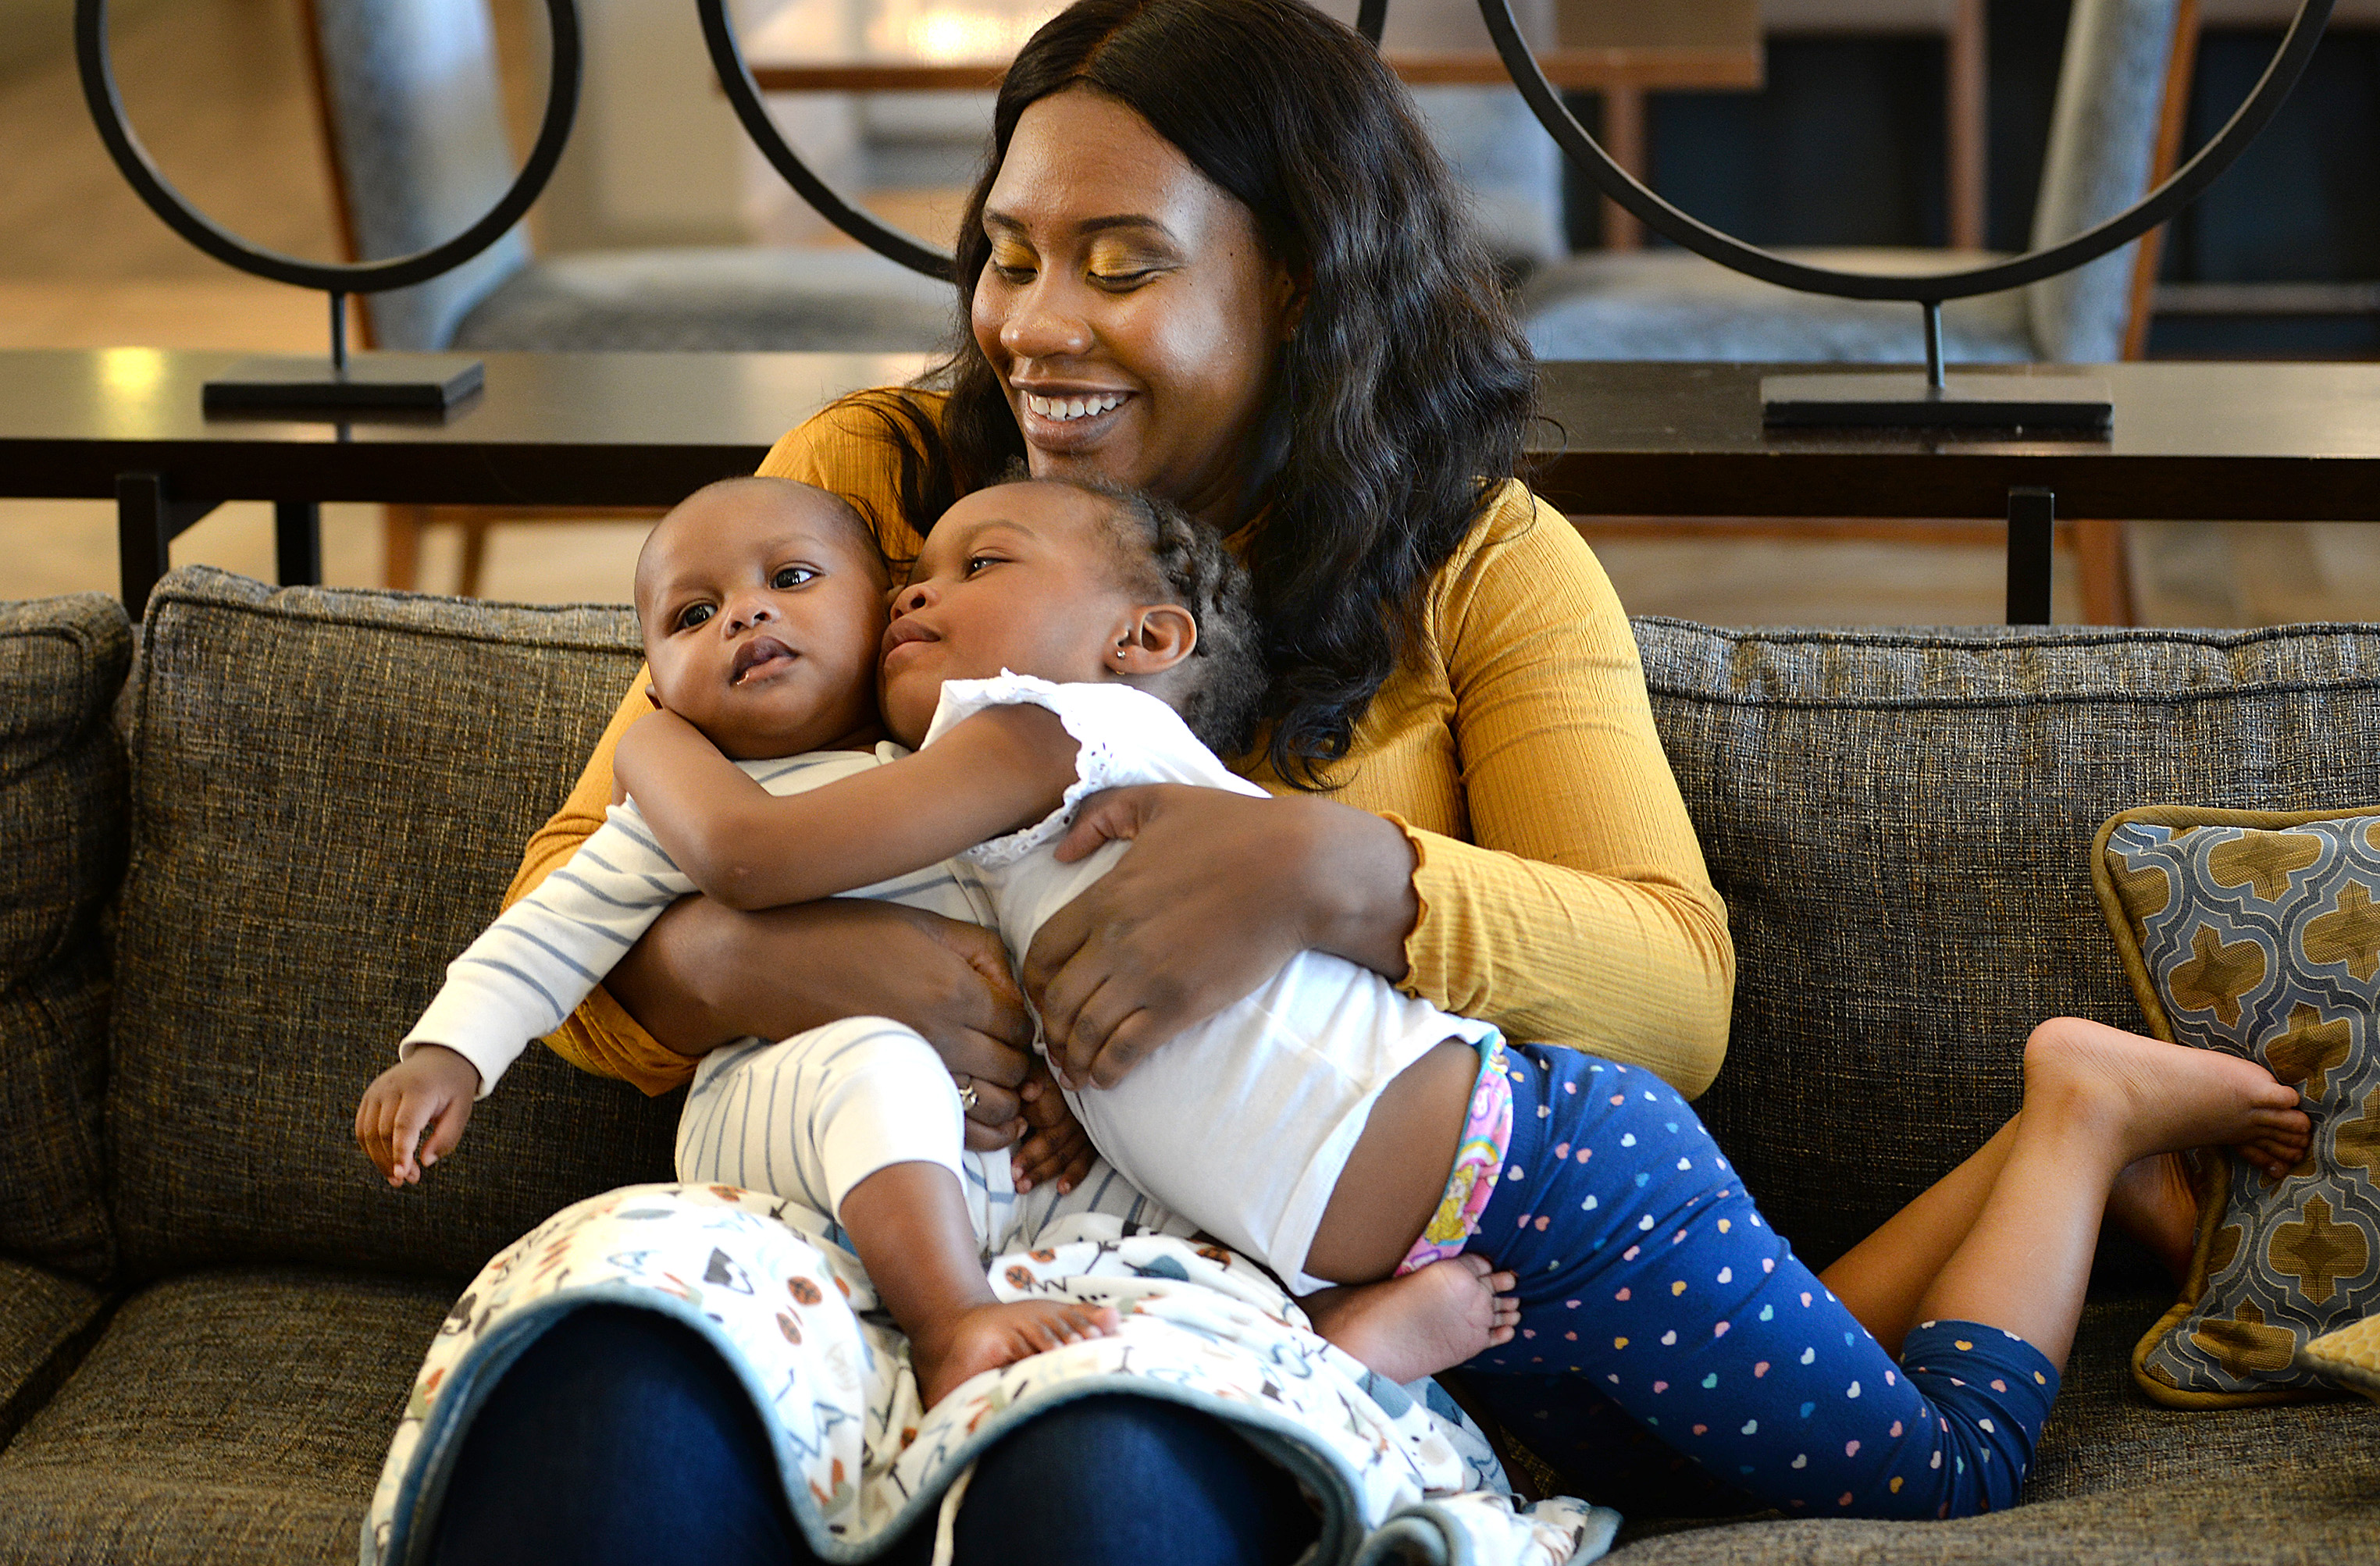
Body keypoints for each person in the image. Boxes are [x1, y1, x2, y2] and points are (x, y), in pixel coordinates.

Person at [615, 470, 2320, 1522]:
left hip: (1556, 1187)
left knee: (1942, 1469)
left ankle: (2082, 1112)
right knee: (1682, 1465)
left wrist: (652, 733)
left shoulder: (1031, 736)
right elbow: (691, 928)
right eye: (906, 574)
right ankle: (2047, 1169)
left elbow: (758, 860)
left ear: (1142, 637)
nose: (913, 589)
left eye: (971, 565)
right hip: (1471, 1229)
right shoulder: (999, 801)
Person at [357, 474, 1520, 1408]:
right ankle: (947, 1318)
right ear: (653, 680)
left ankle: (1303, 1343)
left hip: (1018, 1182)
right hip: (795, 1115)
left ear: (883, 617)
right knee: (882, 1061)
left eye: (792, 580)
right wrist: (448, 1053)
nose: (745, 615)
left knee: (1159, 1154)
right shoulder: (682, 793)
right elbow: (554, 925)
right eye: (692, 617)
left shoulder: (957, 775)